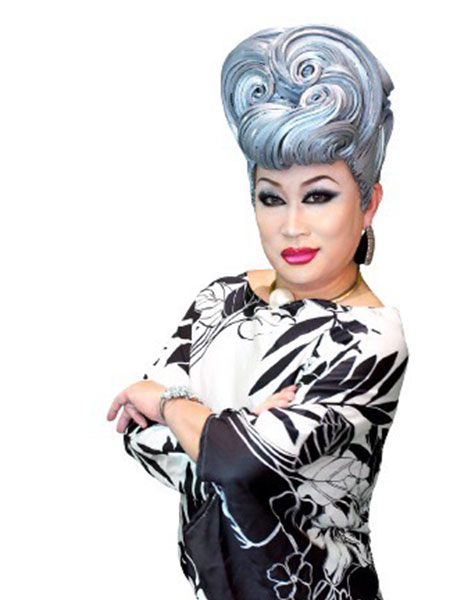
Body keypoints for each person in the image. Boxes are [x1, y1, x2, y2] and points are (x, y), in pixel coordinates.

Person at [107, 24, 409, 600]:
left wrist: (176, 405)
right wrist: (231, 427)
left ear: (368, 203)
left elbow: (237, 463)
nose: (292, 226)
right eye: (272, 197)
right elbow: (140, 438)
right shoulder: (222, 298)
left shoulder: (372, 337)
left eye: (319, 195)